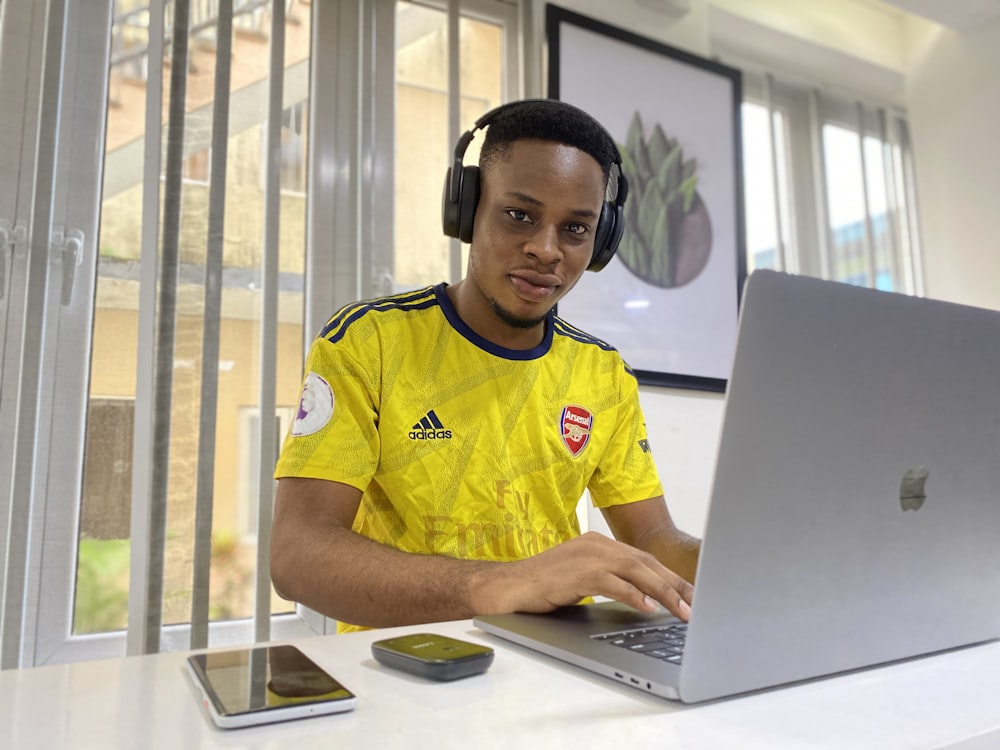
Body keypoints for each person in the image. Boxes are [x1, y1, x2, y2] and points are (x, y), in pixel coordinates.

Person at [270, 99, 700, 633]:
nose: (546, 250)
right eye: (519, 215)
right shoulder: (369, 342)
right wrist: (502, 585)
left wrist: (740, 563)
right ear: (467, 210)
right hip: (406, 666)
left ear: (601, 240)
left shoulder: (602, 373)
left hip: (555, 666)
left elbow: (652, 540)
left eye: (575, 229)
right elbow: (297, 555)